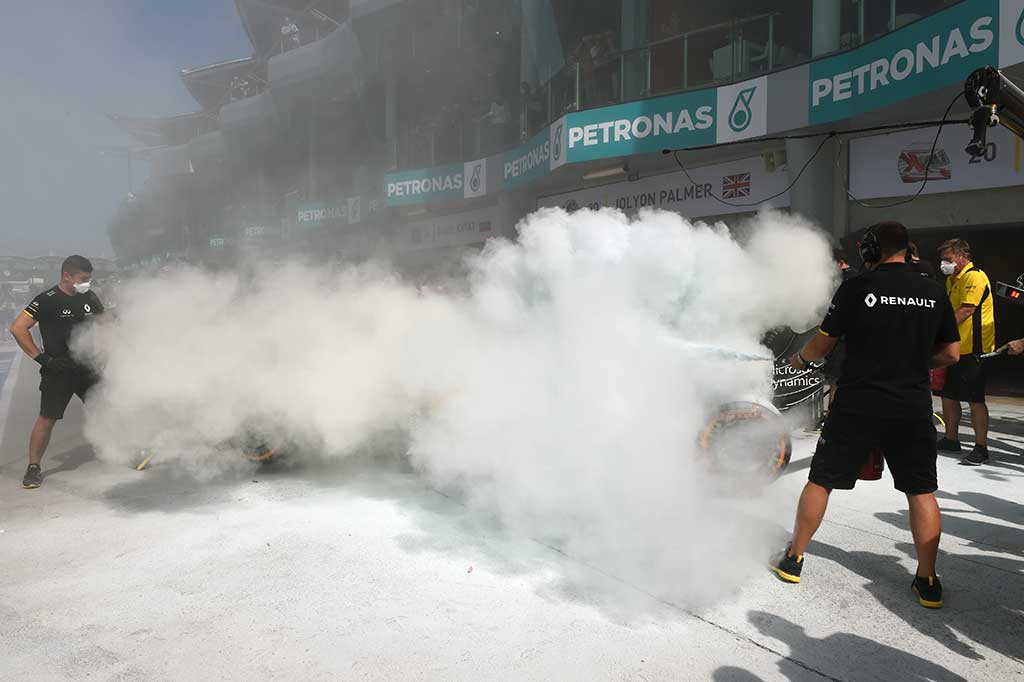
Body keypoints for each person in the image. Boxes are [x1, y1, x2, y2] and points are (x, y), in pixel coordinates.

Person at [772, 222, 960, 609]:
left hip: (858, 402)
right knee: (921, 490)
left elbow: (822, 345)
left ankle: (793, 559)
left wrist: (800, 359)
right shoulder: (933, 291)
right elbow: (950, 354)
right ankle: (927, 580)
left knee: (821, 480)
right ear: (907, 250)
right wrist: (912, 363)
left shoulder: (857, 287)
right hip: (911, 404)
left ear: (871, 250)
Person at [8, 256, 105, 489]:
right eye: (83, 278)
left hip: (88, 367)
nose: (87, 283)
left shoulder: (89, 297)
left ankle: (126, 450)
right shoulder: (46, 300)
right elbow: (18, 328)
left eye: (89, 279)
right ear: (67, 276)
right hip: (58, 370)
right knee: (47, 418)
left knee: (106, 410)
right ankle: (33, 467)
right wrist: (42, 358)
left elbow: (104, 325)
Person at [935, 238, 995, 466]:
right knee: (948, 394)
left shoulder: (975, 276)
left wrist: (939, 330)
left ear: (963, 256)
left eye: (948, 259)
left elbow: (967, 310)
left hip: (975, 349)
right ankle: (951, 439)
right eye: (943, 259)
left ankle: (981, 447)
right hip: (955, 347)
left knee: (975, 398)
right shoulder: (952, 279)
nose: (944, 263)